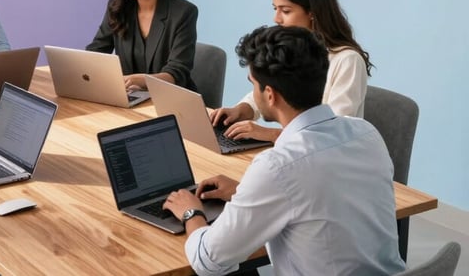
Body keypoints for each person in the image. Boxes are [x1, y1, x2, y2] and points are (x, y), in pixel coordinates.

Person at [163, 25, 405, 276]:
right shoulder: (367, 133)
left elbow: (207, 261)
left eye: (253, 84)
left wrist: (191, 212)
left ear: (270, 95)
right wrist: (244, 192)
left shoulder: (278, 166)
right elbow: (319, 193)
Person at [211, 0, 372, 142]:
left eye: (286, 11)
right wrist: (242, 110)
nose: (276, 19)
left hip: (326, 158)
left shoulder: (348, 61)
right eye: (275, 9)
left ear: (312, 12)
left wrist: (270, 134)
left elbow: (331, 132)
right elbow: (270, 87)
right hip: (295, 150)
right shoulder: (294, 48)